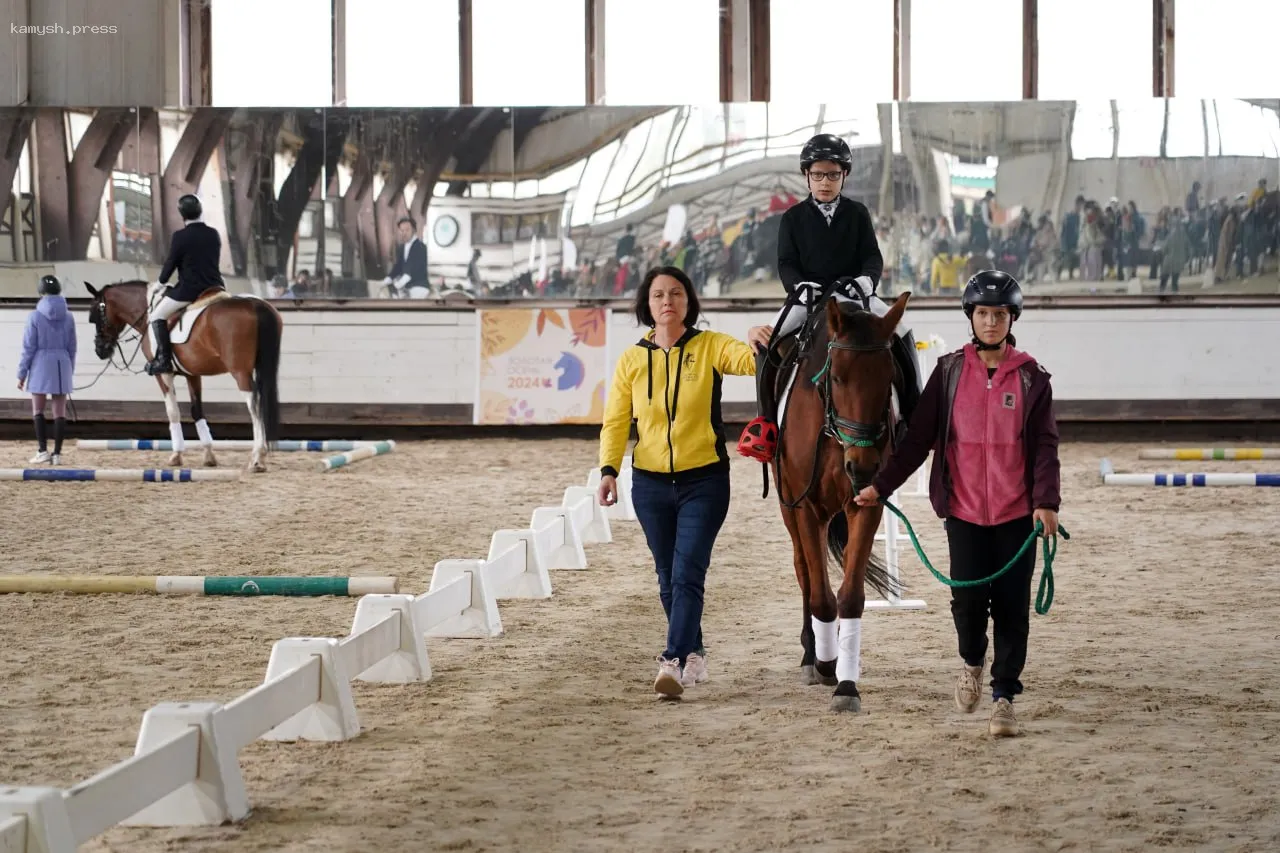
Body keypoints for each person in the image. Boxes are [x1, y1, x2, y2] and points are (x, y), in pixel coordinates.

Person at [853, 270, 1061, 738]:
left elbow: (1045, 446)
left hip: (1016, 515)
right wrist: (881, 486)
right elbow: (916, 442)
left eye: (1000, 314)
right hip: (963, 512)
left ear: (1012, 318)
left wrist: (1046, 502)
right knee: (967, 603)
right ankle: (972, 661)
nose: (991, 322)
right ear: (971, 316)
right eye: (983, 313)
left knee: (1012, 607)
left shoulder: (1032, 378)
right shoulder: (947, 373)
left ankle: (1004, 695)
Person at [597, 265, 772, 698]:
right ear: (648, 305)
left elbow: (751, 361)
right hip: (650, 485)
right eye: (659, 295)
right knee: (665, 576)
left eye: (676, 294)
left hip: (705, 482)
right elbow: (617, 420)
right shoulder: (632, 359)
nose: (667, 302)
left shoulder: (710, 347)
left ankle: (672, 660)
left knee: (688, 571)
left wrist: (755, 337)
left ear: (689, 302)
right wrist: (609, 470)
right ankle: (693, 652)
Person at [736, 133, 921, 464]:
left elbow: (872, 257)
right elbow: (786, 262)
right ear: (807, 175)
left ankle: (913, 415)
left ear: (844, 176)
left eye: (833, 175)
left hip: (851, 293)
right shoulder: (792, 218)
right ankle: (765, 425)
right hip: (808, 296)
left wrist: (865, 281)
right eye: (818, 174)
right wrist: (798, 286)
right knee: (768, 343)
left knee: (904, 332)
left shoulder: (858, 213)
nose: (825, 182)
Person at [145, 194, 227, 375]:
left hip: (190, 291)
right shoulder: (213, 234)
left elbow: (171, 263)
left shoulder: (180, 236)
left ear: (182, 215)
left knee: (157, 316)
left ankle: (164, 361)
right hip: (215, 288)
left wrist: (160, 283)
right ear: (200, 211)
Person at [17, 275, 77, 464]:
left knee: (38, 409)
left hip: (41, 363)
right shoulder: (68, 317)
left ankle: (42, 451)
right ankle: (57, 454)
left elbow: (29, 346)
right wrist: (70, 369)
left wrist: (22, 373)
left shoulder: (34, 316)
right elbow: (72, 347)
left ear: (41, 293)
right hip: (62, 363)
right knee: (60, 411)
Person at [382, 217, 429, 298]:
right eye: (402, 230)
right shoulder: (401, 248)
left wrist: (398, 284)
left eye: (407, 230)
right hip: (406, 286)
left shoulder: (420, 247)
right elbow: (398, 267)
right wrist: (387, 279)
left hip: (419, 286)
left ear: (414, 230)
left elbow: (411, 270)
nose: (404, 233)